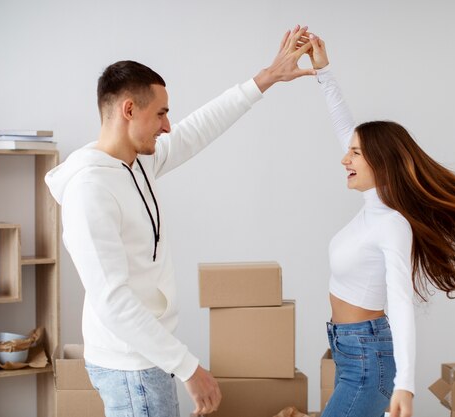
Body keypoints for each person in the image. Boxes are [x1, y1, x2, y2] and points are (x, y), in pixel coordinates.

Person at [44, 26, 315, 417]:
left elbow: (198, 129)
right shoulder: (90, 189)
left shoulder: (138, 163)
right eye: (162, 113)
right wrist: (188, 367)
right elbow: (112, 300)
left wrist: (266, 78)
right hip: (132, 365)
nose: (168, 125)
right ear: (129, 110)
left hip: (149, 356)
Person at [304, 34, 455, 417]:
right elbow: (343, 124)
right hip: (350, 352)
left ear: (380, 163)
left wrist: (406, 386)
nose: (344, 158)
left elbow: (399, 304)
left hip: (369, 361)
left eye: (355, 153)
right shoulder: (374, 203)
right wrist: (323, 70)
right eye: (349, 150)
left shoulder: (392, 225)